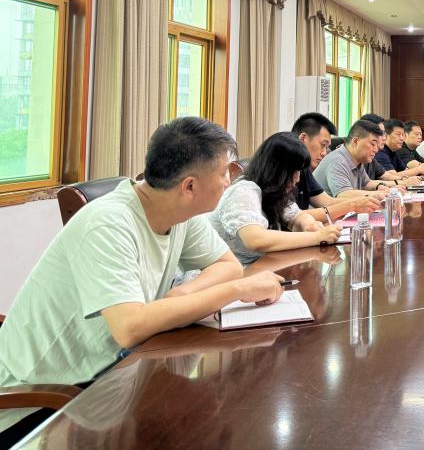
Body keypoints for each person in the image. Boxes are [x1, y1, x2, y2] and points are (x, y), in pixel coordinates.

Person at [0, 118, 284, 442]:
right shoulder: (109, 223)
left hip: (112, 381)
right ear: (189, 187)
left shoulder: (178, 213)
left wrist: (183, 294)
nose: (228, 181)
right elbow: (129, 328)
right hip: (38, 405)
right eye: (223, 173)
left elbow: (228, 266)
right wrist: (237, 290)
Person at [207, 133, 343, 266]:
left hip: (262, 267)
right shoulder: (243, 191)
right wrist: (317, 238)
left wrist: (308, 224)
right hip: (232, 272)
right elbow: (256, 240)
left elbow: (298, 216)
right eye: (293, 172)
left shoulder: (274, 191)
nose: (297, 179)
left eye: (299, 172)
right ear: (276, 169)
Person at [313, 119, 394, 198]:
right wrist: (377, 194)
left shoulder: (356, 159)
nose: (376, 150)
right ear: (355, 141)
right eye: (373, 144)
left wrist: (379, 187)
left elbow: (366, 183)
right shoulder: (337, 161)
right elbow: (344, 194)